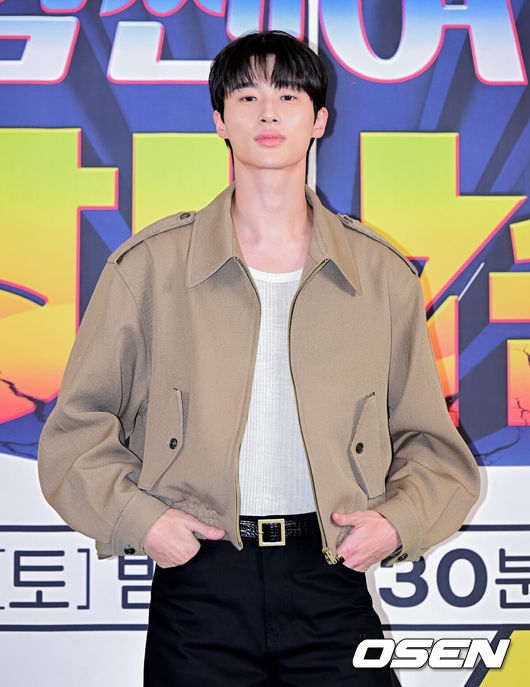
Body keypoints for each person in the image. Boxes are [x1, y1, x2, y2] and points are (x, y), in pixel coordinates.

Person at [38, 30, 481, 686]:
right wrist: (142, 520)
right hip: (201, 580)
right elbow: (74, 434)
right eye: (247, 96)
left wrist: (397, 522)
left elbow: (431, 444)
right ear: (220, 119)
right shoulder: (150, 268)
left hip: (329, 573)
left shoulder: (382, 275)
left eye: (289, 95)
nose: (268, 112)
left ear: (320, 119)